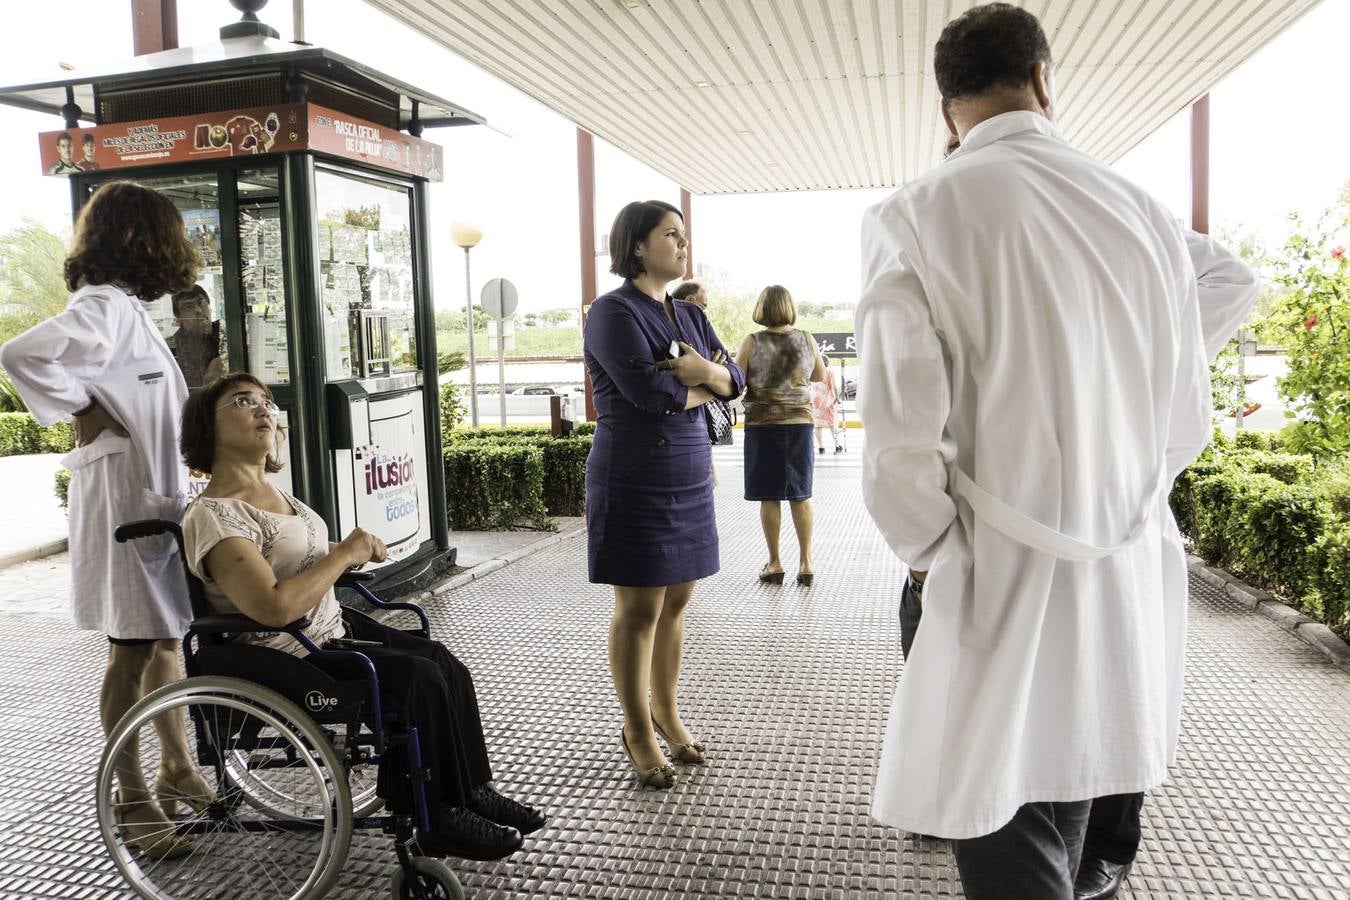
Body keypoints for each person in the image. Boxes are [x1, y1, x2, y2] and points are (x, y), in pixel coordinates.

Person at [856, 5, 1260, 899]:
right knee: (1073, 765)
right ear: (1045, 79)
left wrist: (934, 558)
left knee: (1002, 806)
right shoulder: (1141, 212)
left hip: (993, 559)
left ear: (945, 110)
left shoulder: (914, 214)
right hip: (1120, 553)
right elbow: (1181, 415)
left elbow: (896, 435)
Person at [180, 372, 545, 859]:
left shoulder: (276, 495)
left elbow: (296, 557)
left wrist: (347, 550)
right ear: (208, 427)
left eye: (266, 402)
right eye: (243, 402)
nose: (263, 410)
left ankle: (470, 793)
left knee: (444, 664)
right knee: (416, 679)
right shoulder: (215, 514)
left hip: (327, 632)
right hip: (284, 651)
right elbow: (272, 606)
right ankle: (436, 818)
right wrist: (343, 553)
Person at [0, 180, 217, 859]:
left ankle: (177, 767)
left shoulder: (122, 309)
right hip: (125, 497)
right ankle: (132, 800)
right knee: (131, 646)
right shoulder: (105, 306)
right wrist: (82, 409)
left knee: (162, 640)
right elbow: (20, 354)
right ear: (148, 239)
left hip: (143, 492)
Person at [583, 200, 744, 788]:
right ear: (636, 248)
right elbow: (650, 396)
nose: (682, 244)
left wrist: (702, 374)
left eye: (683, 234)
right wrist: (710, 381)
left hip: (689, 476)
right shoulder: (611, 312)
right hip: (634, 478)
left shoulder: (689, 315)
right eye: (670, 235)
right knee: (640, 609)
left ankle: (667, 711)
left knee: (677, 602)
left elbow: (738, 382)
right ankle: (636, 728)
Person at [736, 285, 825, 586]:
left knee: (770, 495)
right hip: (799, 423)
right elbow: (819, 376)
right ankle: (807, 562)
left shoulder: (752, 342)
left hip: (763, 425)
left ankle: (774, 563)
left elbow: (736, 380)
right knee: (800, 494)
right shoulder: (806, 339)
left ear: (762, 308)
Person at [170, 285, 227, 388]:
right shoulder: (172, 346)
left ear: (210, 307)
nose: (198, 310)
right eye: (188, 306)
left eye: (201, 303)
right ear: (179, 317)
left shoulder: (226, 332)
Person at [810, 350, 842, 454]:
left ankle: (821, 447)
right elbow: (834, 386)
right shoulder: (829, 371)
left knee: (818, 425)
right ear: (827, 362)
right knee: (832, 423)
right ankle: (837, 445)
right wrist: (837, 398)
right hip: (827, 400)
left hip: (815, 399)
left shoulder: (813, 370)